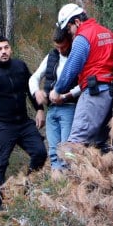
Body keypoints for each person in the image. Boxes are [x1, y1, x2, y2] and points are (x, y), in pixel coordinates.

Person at [0, 35, 48, 209]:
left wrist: (39, 109)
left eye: (6, 48)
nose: (3, 52)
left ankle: (27, 189)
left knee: (40, 153)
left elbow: (31, 88)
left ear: (10, 49)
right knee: (0, 165)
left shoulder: (20, 66)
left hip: (24, 123)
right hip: (2, 125)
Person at [49, 3, 113, 151]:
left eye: (69, 28)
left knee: (73, 146)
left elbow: (71, 67)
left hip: (94, 95)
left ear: (77, 22)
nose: (70, 33)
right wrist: (67, 95)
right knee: (100, 145)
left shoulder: (83, 38)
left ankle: (72, 167)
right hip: (110, 94)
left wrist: (57, 90)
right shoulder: (108, 34)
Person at [29, 26, 80, 170]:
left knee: (67, 150)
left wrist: (64, 96)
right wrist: (36, 92)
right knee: (53, 152)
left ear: (70, 42)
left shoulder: (77, 56)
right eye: (57, 47)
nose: (60, 50)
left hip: (69, 108)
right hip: (51, 110)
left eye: (63, 47)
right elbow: (34, 78)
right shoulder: (51, 56)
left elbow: (83, 84)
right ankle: (57, 179)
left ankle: (69, 179)